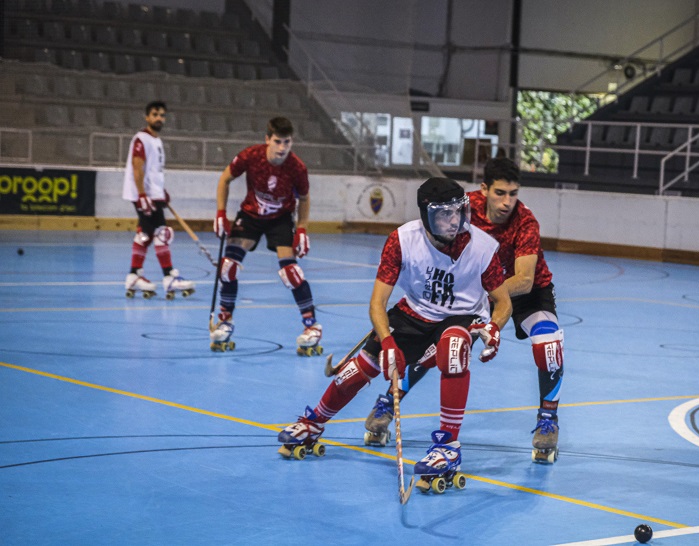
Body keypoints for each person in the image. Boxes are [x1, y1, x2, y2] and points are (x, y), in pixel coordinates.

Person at [278, 177, 512, 490]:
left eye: (459, 211)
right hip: (412, 313)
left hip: (461, 316)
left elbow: (503, 302)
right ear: (426, 215)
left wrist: (494, 328)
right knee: (358, 369)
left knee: (453, 348)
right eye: (444, 214)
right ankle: (313, 423)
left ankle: (447, 447)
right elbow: (377, 304)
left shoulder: (483, 248)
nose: (454, 220)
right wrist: (387, 342)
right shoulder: (402, 240)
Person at [363, 157, 564, 463]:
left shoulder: (525, 222)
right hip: (470, 289)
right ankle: (389, 402)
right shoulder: (461, 207)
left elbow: (524, 280)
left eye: (513, 193)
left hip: (524, 293)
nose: (507, 201)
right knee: (435, 343)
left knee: (549, 347)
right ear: (484, 189)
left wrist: (483, 298)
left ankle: (548, 419)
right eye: (500, 193)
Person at [212, 116, 321, 354]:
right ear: (267, 139)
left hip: (280, 220)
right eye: (278, 141)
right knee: (228, 266)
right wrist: (221, 212)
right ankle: (224, 320)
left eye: (287, 142)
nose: (282, 148)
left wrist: (302, 228)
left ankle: (311, 326)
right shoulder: (251, 156)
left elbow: (304, 198)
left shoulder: (297, 167)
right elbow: (225, 178)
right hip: (250, 215)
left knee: (290, 272)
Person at [122, 100, 195, 300]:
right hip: (143, 195)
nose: (159, 118)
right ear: (147, 117)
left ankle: (134, 276)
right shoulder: (141, 138)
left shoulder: (157, 141)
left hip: (153, 194)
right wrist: (143, 195)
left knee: (146, 234)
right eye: (155, 114)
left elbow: (154, 171)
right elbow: (138, 168)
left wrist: (161, 191)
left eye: (162, 115)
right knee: (161, 233)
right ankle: (168, 276)